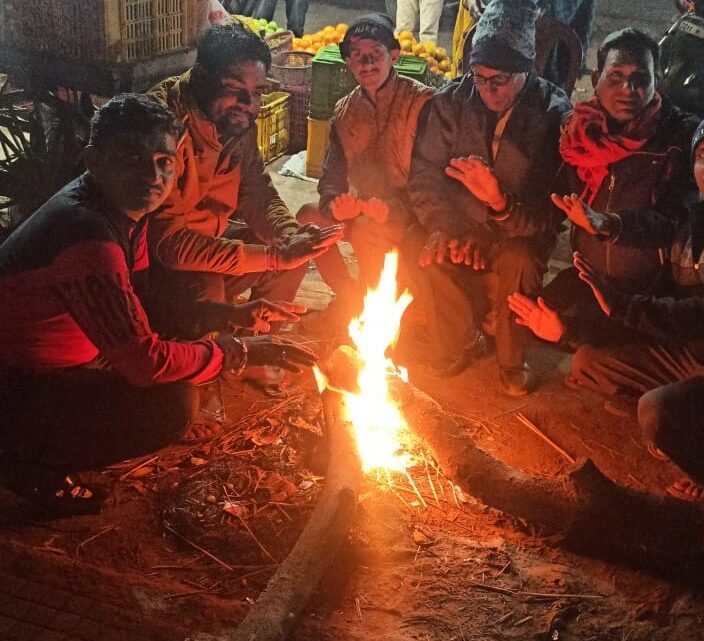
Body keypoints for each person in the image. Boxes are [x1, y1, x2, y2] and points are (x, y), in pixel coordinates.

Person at [0, 94, 317, 516]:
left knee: (185, 324)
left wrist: (230, 316)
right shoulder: (87, 235)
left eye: (164, 161)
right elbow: (145, 363)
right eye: (131, 158)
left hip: (53, 368)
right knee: (168, 408)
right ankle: (25, 464)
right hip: (15, 387)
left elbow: (147, 299)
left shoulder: (120, 211)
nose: (153, 175)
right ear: (95, 160)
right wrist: (235, 352)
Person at [406, 0, 571, 395]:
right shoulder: (451, 102)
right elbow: (425, 176)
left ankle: (512, 360)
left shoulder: (553, 112)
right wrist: (447, 229)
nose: (488, 89)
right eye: (479, 77)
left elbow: (552, 214)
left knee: (518, 258)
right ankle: (459, 338)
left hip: (515, 233)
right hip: (461, 227)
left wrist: (500, 203)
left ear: (527, 71)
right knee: (417, 245)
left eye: (500, 79)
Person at [558, 111, 704, 505]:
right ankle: (689, 421)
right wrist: (568, 325)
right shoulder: (696, 220)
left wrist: (627, 307)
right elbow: (649, 230)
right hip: (688, 354)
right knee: (587, 361)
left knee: (655, 411)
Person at [509, 29, 698, 360]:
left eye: (641, 78)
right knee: (524, 320)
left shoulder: (681, 137)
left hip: (650, 289)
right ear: (596, 78)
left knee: (589, 353)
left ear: (657, 81)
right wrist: (500, 206)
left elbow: (677, 219)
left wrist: (612, 225)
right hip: (589, 278)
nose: (629, 89)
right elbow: (548, 207)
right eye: (617, 77)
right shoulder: (577, 134)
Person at [146, 23, 343, 341]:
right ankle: (209, 361)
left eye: (257, 92)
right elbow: (168, 246)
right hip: (156, 269)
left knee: (292, 253)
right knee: (209, 287)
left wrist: (289, 236)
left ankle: (257, 348)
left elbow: (255, 189)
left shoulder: (234, 121)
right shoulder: (162, 127)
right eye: (234, 87)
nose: (248, 103)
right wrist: (272, 256)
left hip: (209, 242)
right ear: (202, 76)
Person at [296, 13, 434, 331]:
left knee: (368, 230)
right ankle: (351, 299)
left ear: (394, 55)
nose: (367, 62)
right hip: (366, 210)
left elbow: (433, 179)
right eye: (357, 56)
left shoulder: (421, 102)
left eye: (376, 52)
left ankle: (383, 318)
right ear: (347, 63)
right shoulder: (345, 112)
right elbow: (331, 177)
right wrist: (334, 203)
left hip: (414, 215)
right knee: (308, 218)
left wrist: (396, 208)